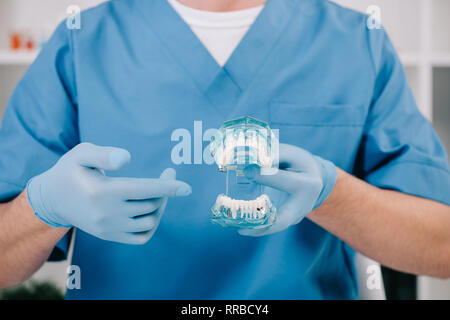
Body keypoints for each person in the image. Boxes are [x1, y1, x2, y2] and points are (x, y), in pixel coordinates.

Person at [0, 0, 449, 299]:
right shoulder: (84, 41)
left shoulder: (355, 41)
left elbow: (440, 248)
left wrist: (333, 194)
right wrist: (43, 207)